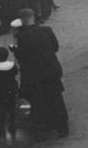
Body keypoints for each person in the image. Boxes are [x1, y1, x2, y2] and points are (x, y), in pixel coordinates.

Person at [11, 8, 70, 139]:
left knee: (39, 101)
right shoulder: (47, 30)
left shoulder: (22, 37)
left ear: (22, 21)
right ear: (33, 17)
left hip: (35, 75)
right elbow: (55, 47)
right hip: (51, 71)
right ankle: (62, 128)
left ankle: (43, 127)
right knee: (56, 99)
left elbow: (22, 58)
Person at [0, 46, 20, 145]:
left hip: (2, 91)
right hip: (12, 89)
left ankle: (2, 125)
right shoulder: (12, 65)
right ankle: (12, 123)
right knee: (12, 106)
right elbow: (16, 72)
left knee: (2, 107)